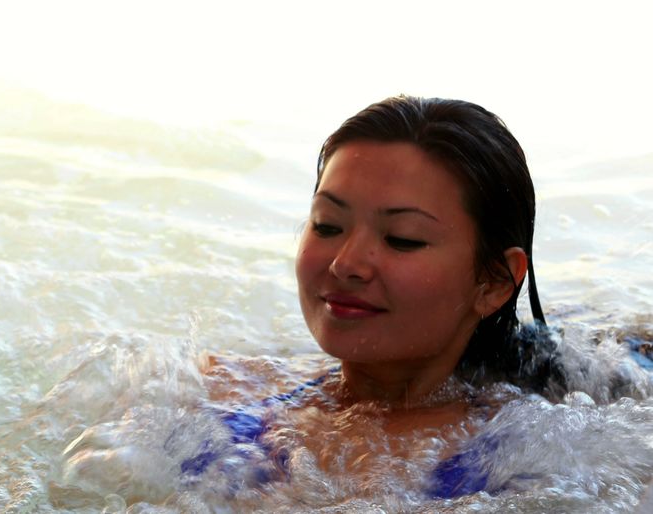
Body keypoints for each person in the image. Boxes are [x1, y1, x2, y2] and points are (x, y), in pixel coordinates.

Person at [184, 95, 565, 499]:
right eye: (328, 225)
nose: (345, 264)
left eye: (402, 239)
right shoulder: (218, 385)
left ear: (494, 283)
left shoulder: (524, 466)